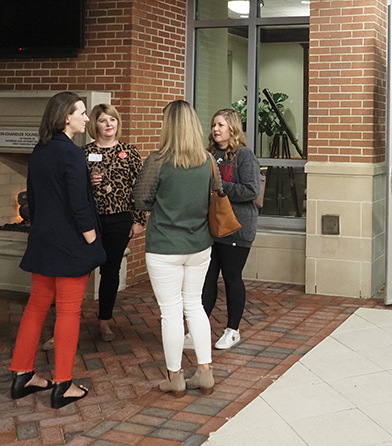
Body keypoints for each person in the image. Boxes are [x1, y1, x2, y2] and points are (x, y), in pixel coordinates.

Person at [10, 92, 105, 409]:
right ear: (67, 117)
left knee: (36, 307)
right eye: (82, 112)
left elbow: (32, 201)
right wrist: (92, 238)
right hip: (70, 246)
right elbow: (79, 205)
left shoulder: (40, 150)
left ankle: (23, 375)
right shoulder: (73, 154)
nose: (87, 118)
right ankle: (63, 384)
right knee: (68, 312)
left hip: (43, 241)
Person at [134, 100, 216, 397]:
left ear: (168, 126)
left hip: (165, 245)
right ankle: (205, 373)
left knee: (171, 312)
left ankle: (175, 377)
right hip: (199, 244)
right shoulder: (207, 160)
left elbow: (140, 200)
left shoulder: (157, 160)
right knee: (195, 305)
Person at [84, 104, 147, 342]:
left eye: (113, 119)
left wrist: (139, 220)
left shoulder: (129, 152)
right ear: (94, 125)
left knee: (110, 271)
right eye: (103, 120)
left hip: (120, 219)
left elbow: (140, 189)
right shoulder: (84, 152)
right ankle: (66, 319)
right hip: (91, 220)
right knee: (80, 270)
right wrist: (89, 181)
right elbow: (75, 191)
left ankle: (104, 322)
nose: (109, 124)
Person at [201, 108, 261, 350]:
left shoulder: (244, 155)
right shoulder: (208, 154)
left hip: (237, 228)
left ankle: (232, 330)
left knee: (231, 278)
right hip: (212, 227)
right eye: (214, 124)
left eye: (221, 125)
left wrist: (219, 186)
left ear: (232, 128)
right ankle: (199, 328)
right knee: (207, 278)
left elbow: (251, 190)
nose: (215, 129)